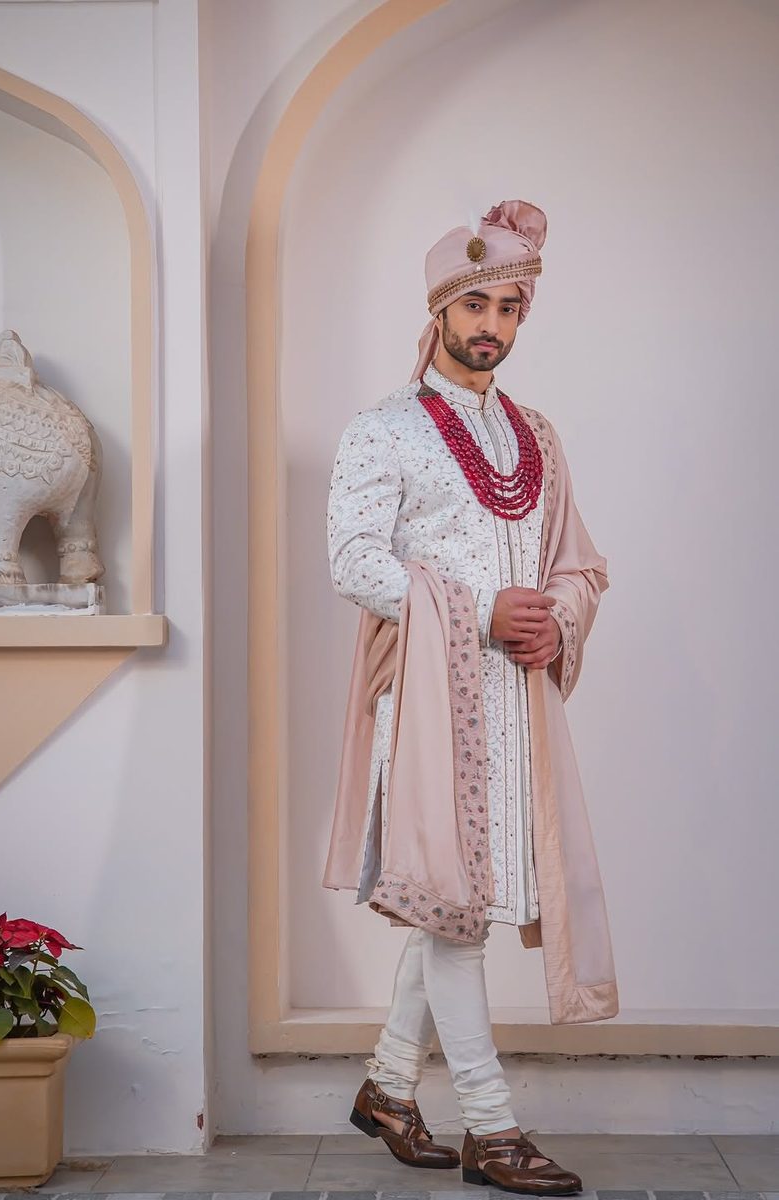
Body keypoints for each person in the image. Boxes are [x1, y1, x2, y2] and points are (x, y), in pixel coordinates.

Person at [322, 200, 618, 1194]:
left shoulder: (536, 434)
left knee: (463, 908)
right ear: (441, 310)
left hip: (514, 705)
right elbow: (354, 561)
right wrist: (484, 608)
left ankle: (389, 1090)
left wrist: (555, 619)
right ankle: (492, 1130)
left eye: (510, 308)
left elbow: (578, 565)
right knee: (454, 909)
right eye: (476, 304)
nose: (492, 324)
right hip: (428, 708)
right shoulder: (384, 430)